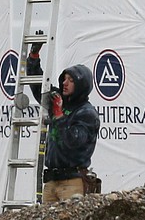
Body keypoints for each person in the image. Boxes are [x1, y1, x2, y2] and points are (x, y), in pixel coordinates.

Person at [26, 46, 100, 203]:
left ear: (81, 85)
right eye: (64, 79)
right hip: (52, 180)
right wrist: (33, 57)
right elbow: (39, 87)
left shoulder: (86, 113)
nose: (65, 83)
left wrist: (59, 115)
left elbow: (73, 141)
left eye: (71, 80)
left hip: (72, 181)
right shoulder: (58, 102)